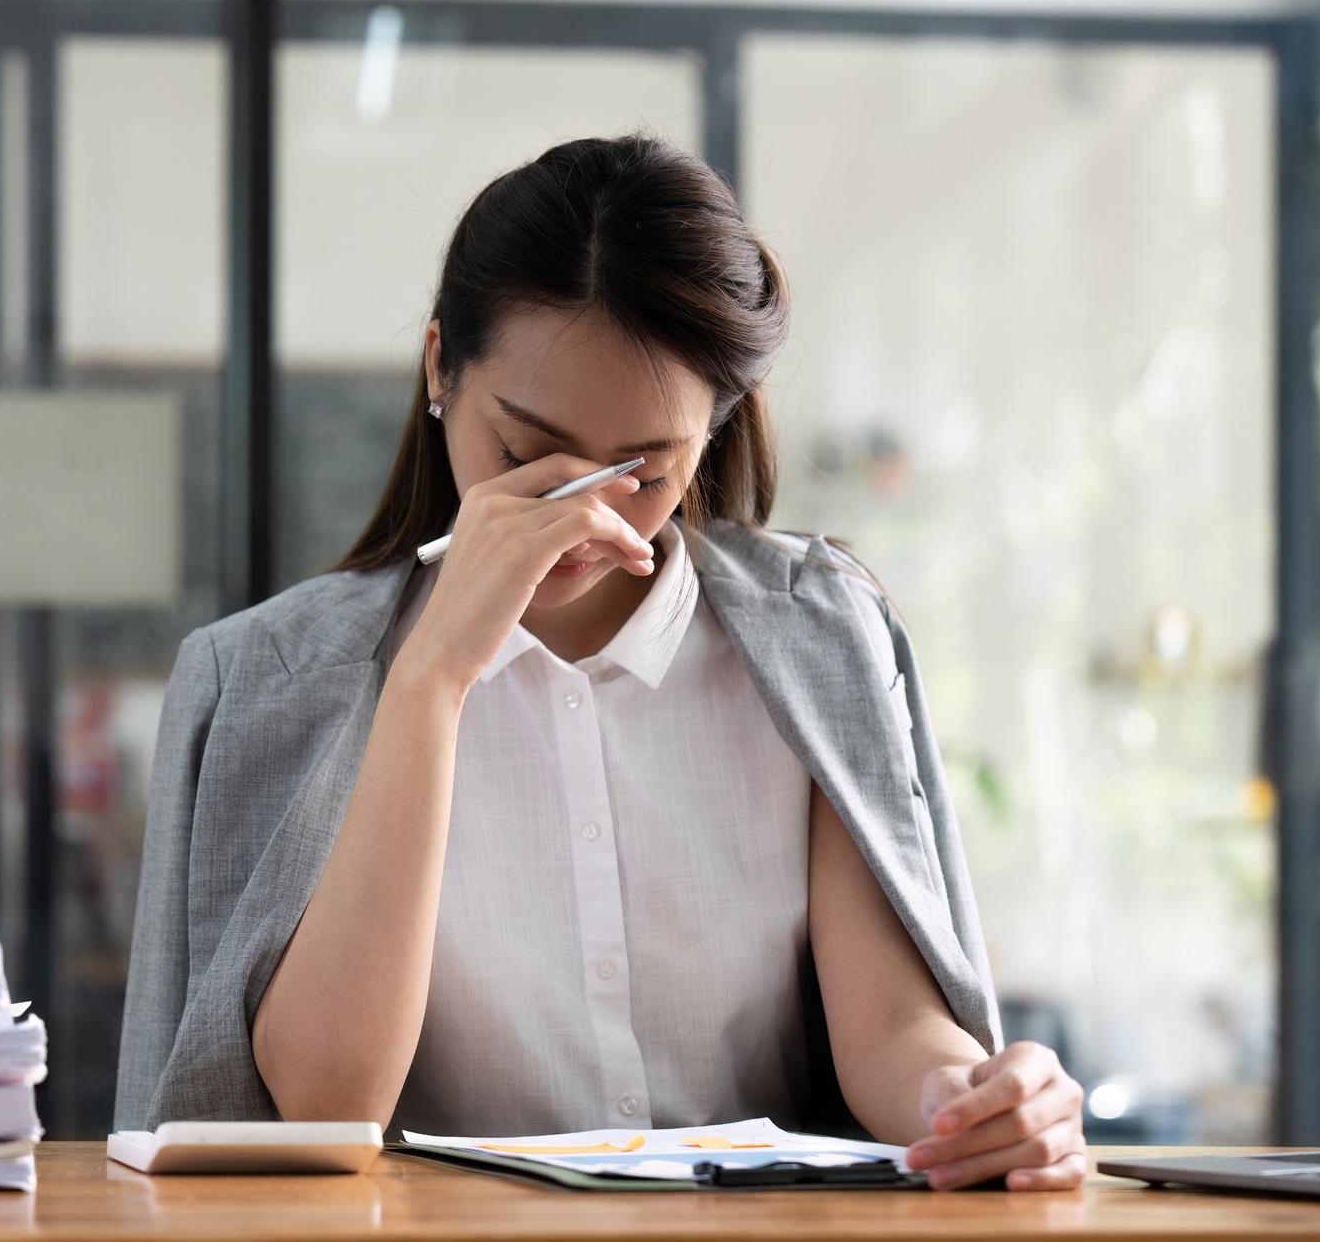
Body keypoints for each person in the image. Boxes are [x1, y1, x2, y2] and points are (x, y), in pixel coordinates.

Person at [117, 134, 1086, 1191]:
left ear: (707, 432)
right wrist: (431, 676)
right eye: (526, 454)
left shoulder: (816, 643)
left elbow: (893, 1030)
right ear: (440, 364)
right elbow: (319, 1105)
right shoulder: (263, 680)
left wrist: (976, 1101)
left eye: (642, 471)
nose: (581, 513)